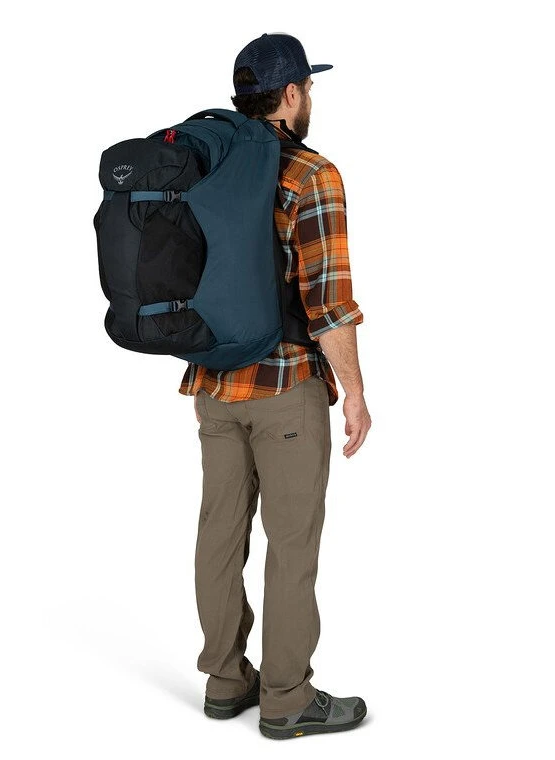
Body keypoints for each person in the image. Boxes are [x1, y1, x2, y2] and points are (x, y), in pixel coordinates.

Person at [178, 32, 372, 740]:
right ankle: (288, 697)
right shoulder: (311, 174)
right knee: (291, 543)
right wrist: (354, 394)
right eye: (307, 87)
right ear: (290, 94)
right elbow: (330, 304)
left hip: (211, 382)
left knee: (219, 533)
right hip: (285, 388)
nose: (310, 97)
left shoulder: (203, 165)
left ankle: (225, 680)